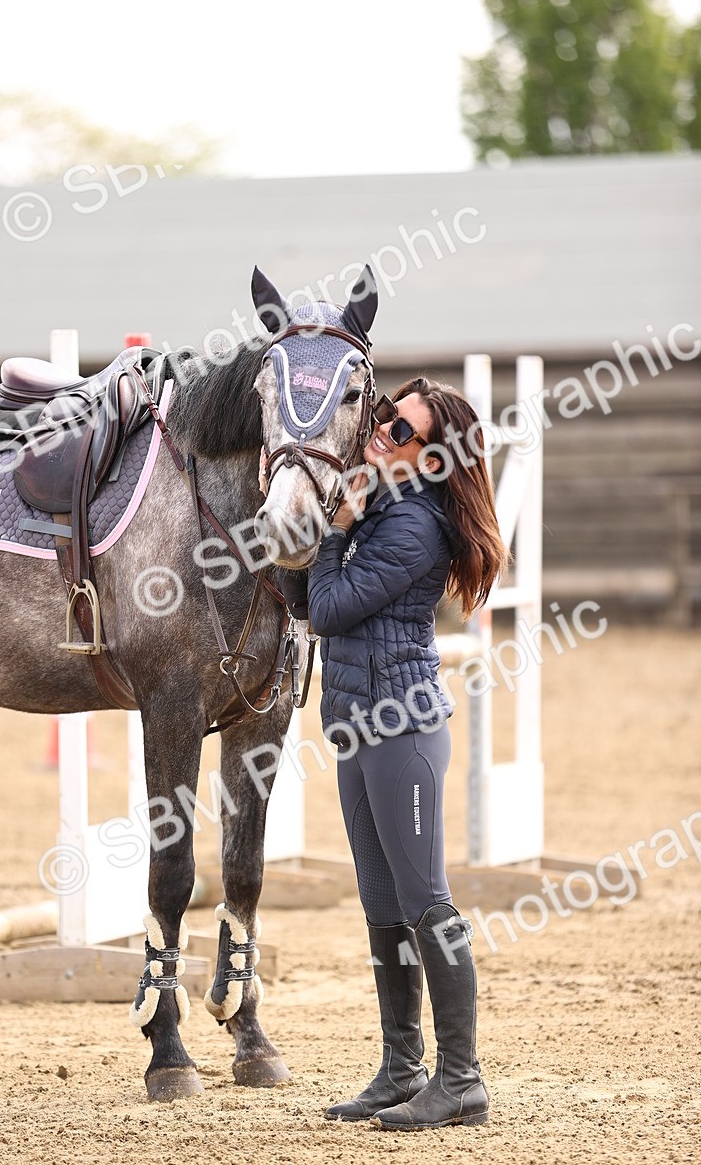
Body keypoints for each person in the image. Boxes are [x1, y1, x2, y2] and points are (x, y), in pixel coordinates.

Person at [267, 377, 508, 1132]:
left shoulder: (415, 529)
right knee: (382, 906)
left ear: (431, 458)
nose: (380, 433)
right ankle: (402, 1067)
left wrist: (333, 530)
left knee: (425, 901)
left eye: (400, 431)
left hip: (400, 730)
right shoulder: (375, 504)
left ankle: (461, 1078)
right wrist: (298, 527)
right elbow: (303, 601)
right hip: (353, 724)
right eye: (383, 419)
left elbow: (333, 608)